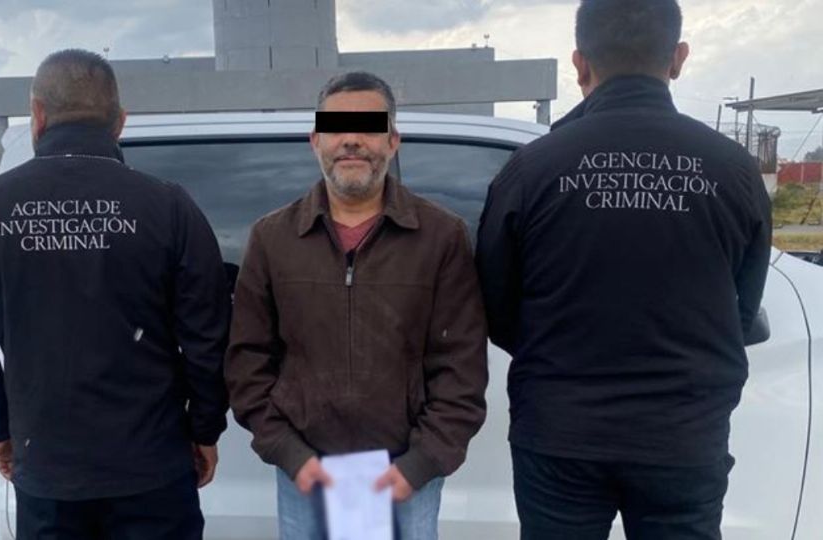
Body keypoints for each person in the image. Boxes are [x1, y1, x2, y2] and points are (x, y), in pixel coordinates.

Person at [476, 1, 773, 538]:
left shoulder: (532, 169)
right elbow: (744, 307)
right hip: (683, 437)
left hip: (560, 432)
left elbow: (496, 306)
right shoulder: (734, 170)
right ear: (678, 58)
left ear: (579, 63)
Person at [0, 49, 230, 539]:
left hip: (46, 473)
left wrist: (0, 429)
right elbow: (208, 340)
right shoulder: (169, 207)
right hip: (153, 470)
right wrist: (204, 429)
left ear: (37, 115)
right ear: (119, 121)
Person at [225, 71, 489, 539]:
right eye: (336, 128)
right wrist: (289, 452)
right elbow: (247, 362)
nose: (351, 140)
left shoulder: (441, 237)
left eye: (368, 127)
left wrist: (422, 462)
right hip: (307, 473)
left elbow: (460, 365)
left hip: (406, 475)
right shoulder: (272, 238)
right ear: (316, 141)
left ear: (392, 141)